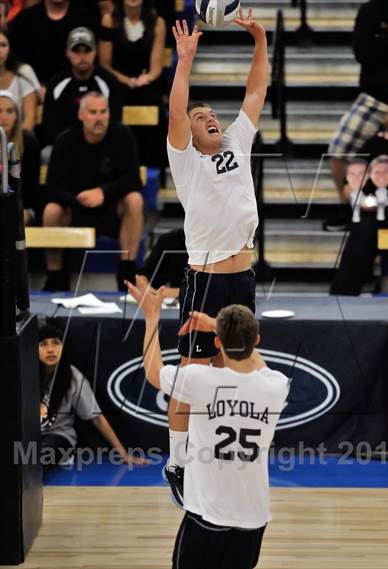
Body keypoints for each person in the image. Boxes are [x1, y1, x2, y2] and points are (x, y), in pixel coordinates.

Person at [162, 9, 269, 506]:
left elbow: (254, 93)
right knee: (191, 375)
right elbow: (177, 110)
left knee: (238, 373)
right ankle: (177, 462)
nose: (208, 118)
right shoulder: (186, 162)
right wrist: (184, 63)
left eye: (212, 115)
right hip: (203, 282)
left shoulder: (236, 143)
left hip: (242, 282)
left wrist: (260, 40)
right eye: (199, 116)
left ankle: (226, 460)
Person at [126, 276, 290, 569]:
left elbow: (153, 372)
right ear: (257, 340)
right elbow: (253, 359)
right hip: (253, 517)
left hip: (208, 515)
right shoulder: (275, 386)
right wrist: (223, 327)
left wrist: (152, 317)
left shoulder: (201, 380)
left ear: (216, 343)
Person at [42, 91, 144, 292]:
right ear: (81, 115)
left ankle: (127, 271)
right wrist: (79, 200)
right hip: (75, 208)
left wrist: (103, 192)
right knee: (51, 210)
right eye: (93, 112)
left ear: (109, 113)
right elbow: (52, 188)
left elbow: (134, 179)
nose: (98, 118)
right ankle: (56, 275)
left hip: (111, 209)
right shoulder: (65, 140)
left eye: (103, 112)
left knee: (135, 200)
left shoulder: (122, 134)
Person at [328, 0, 388, 200]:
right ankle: (347, 209)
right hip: (375, 100)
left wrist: (383, 43)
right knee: (338, 151)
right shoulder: (370, 10)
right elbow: (362, 52)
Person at [38, 322, 148, 468]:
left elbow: (97, 418)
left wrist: (123, 453)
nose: (51, 349)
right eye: (44, 344)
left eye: (56, 343)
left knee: (36, 457)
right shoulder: (25, 375)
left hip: (60, 436)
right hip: (31, 434)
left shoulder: (74, 377)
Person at [99, 0, 167, 166]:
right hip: (117, 81)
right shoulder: (109, 21)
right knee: (112, 103)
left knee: (155, 104)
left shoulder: (158, 22)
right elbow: (105, 65)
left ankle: (152, 165)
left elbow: (156, 66)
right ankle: (116, 162)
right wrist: (128, 81)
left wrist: (146, 79)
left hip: (145, 81)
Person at [41, 26, 122, 150]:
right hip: (65, 148)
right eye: (76, 51)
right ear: (67, 52)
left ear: (95, 52)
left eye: (87, 50)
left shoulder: (109, 82)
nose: (82, 56)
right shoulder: (56, 84)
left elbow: (115, 122)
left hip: (102, 145)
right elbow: (49, 125)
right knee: (47, 153)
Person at [330, 155, 388, 296]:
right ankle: (343, 296)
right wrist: (359, 199)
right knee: (364, 227)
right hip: (374, 214)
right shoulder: (373, 146)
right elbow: (348, 186)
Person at [8, 0, 98, 86]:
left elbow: (93, 60)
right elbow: (18, 61)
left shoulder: (85, 17)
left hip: (75, 87)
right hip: (34, 89)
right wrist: (35, 87)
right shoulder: (25, 19)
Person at [0, 89, 40, 224]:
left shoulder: (29, 143)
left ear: (17, 115)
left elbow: (31, 192)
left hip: (22, 206)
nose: (4, 117)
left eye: (10, 111)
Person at [0, 29, 40, 130]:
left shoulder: (23, 72)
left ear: (10, 49)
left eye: (3, 45)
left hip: (20, 139)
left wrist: (18, 142)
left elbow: (29, 117)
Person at [136, 227, 187, 298]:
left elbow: (204, 291)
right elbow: (143, 275)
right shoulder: (170, 240)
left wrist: (166, 292)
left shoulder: (206, 246)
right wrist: (146, 287)